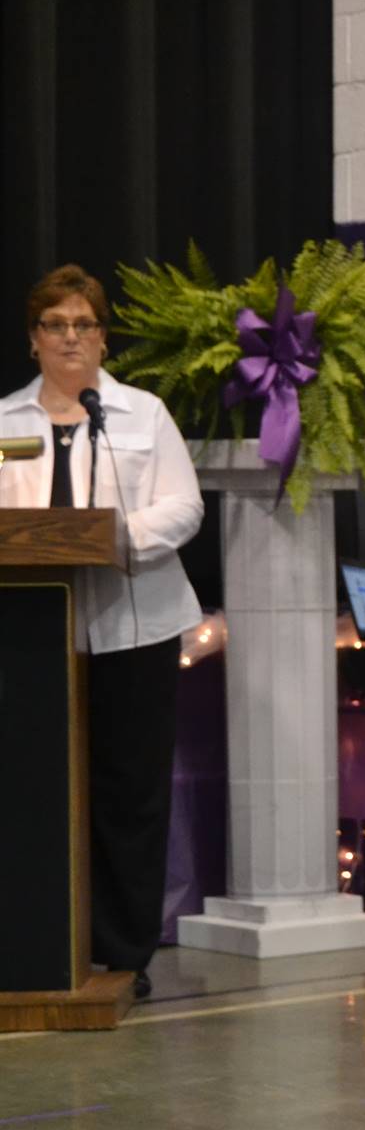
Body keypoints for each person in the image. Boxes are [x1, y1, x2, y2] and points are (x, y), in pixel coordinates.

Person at [0, 264, 204, 1002]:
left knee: (128, 792)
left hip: (133, 627)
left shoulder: (140, 415)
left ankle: (123, 952)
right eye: (55, 325)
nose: (70, 338)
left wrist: (106, 539)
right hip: (27, 640)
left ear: (103, 338)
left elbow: (184, 510)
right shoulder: (5, 422)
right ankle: (36, 944)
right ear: (33, 340)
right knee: (35, 788)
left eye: (84, 324)